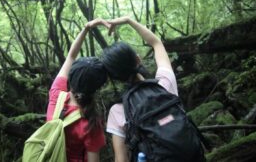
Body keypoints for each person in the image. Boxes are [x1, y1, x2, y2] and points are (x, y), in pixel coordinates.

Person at [102, 16, 178, 162]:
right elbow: (156, 43)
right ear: (138, 60)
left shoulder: (118, 111)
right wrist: (129, 20)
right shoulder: (164, 84)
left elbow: (121, 159)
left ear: (115, 78)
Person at [46, 19, 110, 162]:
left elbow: (71, 56)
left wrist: (86, 28)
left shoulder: (56, 95)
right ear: (97, 87)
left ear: (71, 76)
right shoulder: (91, 123)